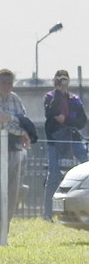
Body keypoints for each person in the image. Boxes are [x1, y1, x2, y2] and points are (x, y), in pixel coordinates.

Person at [0, 69, 30, 246]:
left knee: (11, 194)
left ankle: (4, 236)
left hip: (14, 149)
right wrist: (18, 126)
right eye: (3, 83)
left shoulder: (15, 99)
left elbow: (23, 119)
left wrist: (17, 125)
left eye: (9, 83)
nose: (6, 86)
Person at [43, 69, 88, 220]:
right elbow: (51, 113)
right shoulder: (49, 97)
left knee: (85, 166)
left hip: (73, 138)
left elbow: (82, 121)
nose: (62, 82)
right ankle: (48, 214)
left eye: (64, 79)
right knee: (54, 175)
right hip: (55, 141)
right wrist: (57, 91)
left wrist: (67, 121)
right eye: (59, 79)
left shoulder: (75, 99)